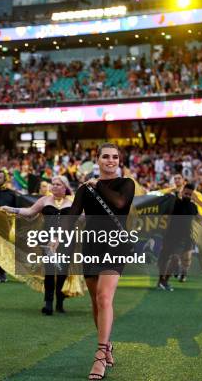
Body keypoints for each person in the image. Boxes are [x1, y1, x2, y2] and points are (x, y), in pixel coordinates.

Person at [67, 143, 135, 380]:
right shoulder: (85, 188)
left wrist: (98, 184)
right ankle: (107, 344)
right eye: (105, 156)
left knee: (105, 297)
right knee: (96, 302)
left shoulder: (126, 184)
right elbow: (73, 215)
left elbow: (118, 204)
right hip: (91, 245)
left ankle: (99, 355)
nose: (110, 160)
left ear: (119, 160)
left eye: (115, 157)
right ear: (97, 159)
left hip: (115, 244)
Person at [3, 176, 73, 315]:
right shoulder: (45, 200)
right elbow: (29, 212)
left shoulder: (73, 203)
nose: (54, 187)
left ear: (65, 187)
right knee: (49, 271)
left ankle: (59, 300)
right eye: (53, 184)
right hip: (47, 241)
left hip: (66, 240)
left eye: (58, 184)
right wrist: (10, 208)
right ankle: (48, 303)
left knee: (62, 272)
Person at [157, 183, 199, 290]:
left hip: (183, 239)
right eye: (186, 194)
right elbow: (165, 202)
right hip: (169, 236)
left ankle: (165, 281)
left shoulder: (193, 207)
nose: (188, 196)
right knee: (164, 259)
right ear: (182, 192)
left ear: (192, 195)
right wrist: (174, 193)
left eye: (190, 194)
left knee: (175, 259)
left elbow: (197, 218)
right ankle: (161, 281)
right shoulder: (175, 202)